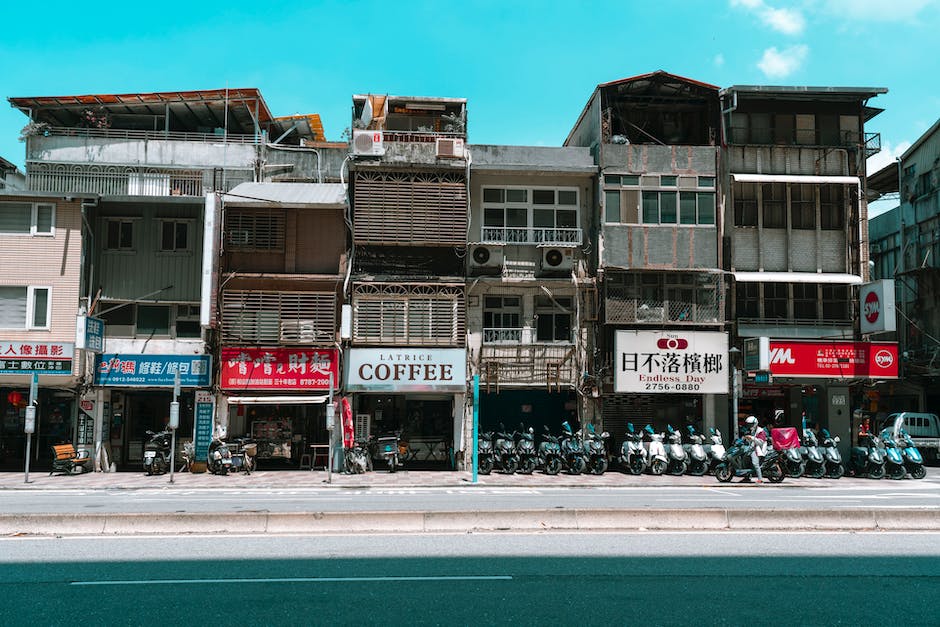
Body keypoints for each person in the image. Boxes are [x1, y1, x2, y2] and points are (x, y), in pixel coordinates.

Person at [742, 415, 765, 483]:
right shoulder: (753, 430)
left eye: (751, 424)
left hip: (758, 449)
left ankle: (760, 479)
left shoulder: (760, 431)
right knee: (745, 460)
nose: (749, 426)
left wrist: (752, 438)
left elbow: (761, 442)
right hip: (752, 448)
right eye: (749, 424)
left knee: (755, 463)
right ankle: (747, 477)